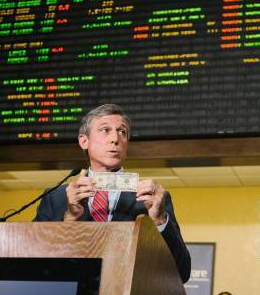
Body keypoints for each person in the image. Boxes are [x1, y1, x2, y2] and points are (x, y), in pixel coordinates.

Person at [34, 104, 191, 283]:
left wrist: (160, 220)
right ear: (84, 141)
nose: (115, 139)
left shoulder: (153, 199)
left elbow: (182, 272)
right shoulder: (55, 198)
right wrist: (70, 219)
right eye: (105, 130)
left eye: (122, 132)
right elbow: (35, 266)